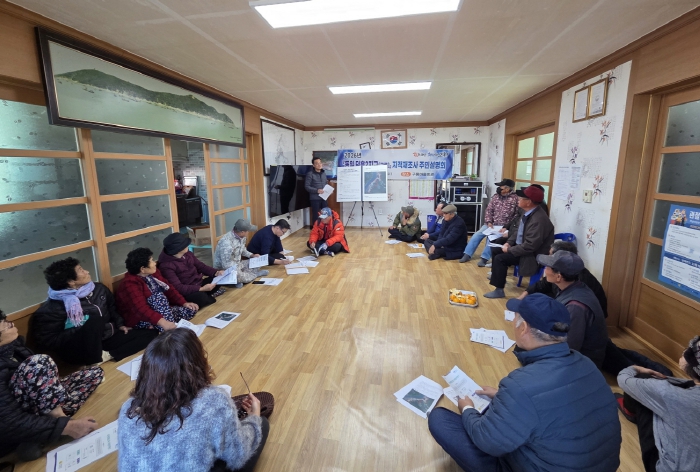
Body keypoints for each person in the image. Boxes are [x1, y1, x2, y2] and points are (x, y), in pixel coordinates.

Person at [428, 294, 621, 472]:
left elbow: (487, 442)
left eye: (515, 317)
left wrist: (467, 409)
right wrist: (503, 398)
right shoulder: (586, 363)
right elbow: (557, 405)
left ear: (524, 328)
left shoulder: (520, 386)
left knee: (440, 419)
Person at [118, 328, 268, 472]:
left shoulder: (127, 409)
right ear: (197, 364)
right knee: (263, 424)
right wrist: (254, 418)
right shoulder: (214, 401)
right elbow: (238, 455)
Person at [537, 250, 672, 376]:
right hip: (597, 347)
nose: (545, 270)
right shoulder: (578, 287)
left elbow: (570, 346)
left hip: (586, 360)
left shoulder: (575, 306)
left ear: (559, 276)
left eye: (548, 267)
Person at [1, 311, 102, 461]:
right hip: (15, 423)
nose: (10, 323)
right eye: (4, 324)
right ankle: (61, 423)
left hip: (36, 405)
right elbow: (9, 421)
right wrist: (67, 427)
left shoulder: (14, 346)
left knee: (94, 373)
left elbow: (38, 384)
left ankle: (44, 431)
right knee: (38, 362)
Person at [31, 257, 158, 366]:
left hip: (107, 336)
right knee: (94, 319)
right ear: (71, 282)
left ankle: (107, 355)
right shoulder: (51, 309)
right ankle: (94, 359)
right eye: (81, 270)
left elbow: (112, 307)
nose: (87, 271)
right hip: (81, 348)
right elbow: (49, 341)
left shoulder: (98, 288)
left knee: (151, 334)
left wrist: (120, 324)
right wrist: (82, 327)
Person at [617, 336, 700, 472]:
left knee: (642, 383)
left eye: (690, 351)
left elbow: (624, 379)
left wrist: (634, 368)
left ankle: (630, 411)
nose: (684, 351)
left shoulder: (671, 394)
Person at [484, 185, 554, 299]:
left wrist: (510, 250)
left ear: (528, 202)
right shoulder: (528, 213)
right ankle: (498, 279)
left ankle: (499, 290)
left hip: (532, 255)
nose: (518, 200)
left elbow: (530, 246)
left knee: (500, 258)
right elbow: (518, 232)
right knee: (496, 250)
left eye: (521, 198)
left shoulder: (538, 219)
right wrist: (509, 243)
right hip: (523, 249)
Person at [116, 248, 199, 332]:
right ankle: (164, 325)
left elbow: (169, 289)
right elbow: (141, 309)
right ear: (142, 269)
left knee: (190, 310)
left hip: (160, 311)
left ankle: (167, 323)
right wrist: (163, 322)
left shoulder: (153, 273)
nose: (155, 263)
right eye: (151, 261)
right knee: (158, 297)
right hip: (140, 317)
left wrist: (184, 303)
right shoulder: (130, 284)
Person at [517, 240, 608, 317]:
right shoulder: (568, 276)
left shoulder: (575, 300)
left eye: (550, 260)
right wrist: (523, 296)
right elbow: (542, 284)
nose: (545, 268)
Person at [158, 233, 226, 309]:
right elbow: (178, 288)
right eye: (185, 245)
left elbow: (201, 266)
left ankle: (206, 295)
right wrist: (201, 289)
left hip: (198, 283)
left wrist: (216, 272)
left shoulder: (188, 254)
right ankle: (206, 296)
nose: (187, 245)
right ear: (179, 249)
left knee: (218, 279)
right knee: (200, 297)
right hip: (187, 291)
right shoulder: (166, 266)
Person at [460, 179, 518, 266]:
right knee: (477, 235)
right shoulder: (496, 197)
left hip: (503, 227)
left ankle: (484, 259)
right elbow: (489, 210)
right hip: (491, 224)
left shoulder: (515, 199)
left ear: (507, 189)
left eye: (501, 187)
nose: (499, 189)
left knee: (491, 239)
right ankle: (467, 254)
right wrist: (489, 221)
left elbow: (516, 216)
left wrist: (507, 226)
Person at [214, 219, 268, 288]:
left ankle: (240, 279)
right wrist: (239, 268)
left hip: (238, 264)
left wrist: (252, 255)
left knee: (257, 261)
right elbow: (226, 265)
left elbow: (243, 250)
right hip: (225, 269)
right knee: (238, 274)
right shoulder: (226, 242)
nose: (248, 232)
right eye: (247, 231)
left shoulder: (242, 237)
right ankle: (254, 275)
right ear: (242, 232)